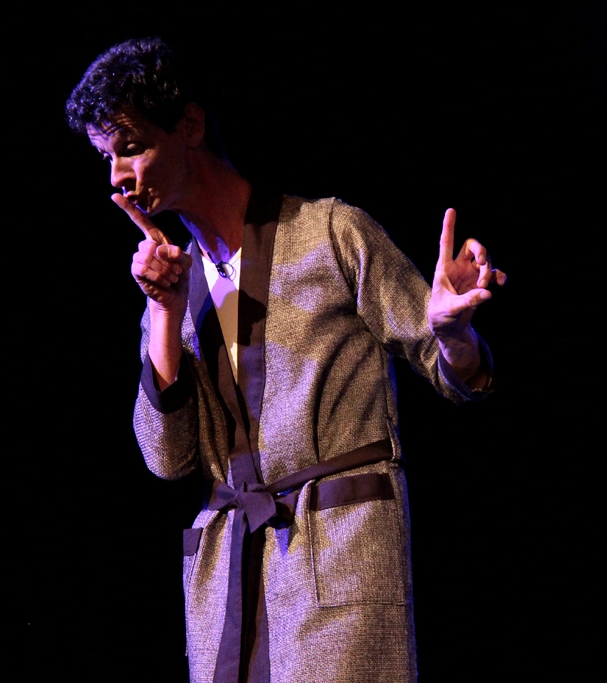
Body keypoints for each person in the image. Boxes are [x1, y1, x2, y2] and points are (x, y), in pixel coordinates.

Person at [66, 37, 505, 683]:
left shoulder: (330, 232)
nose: (116, 176)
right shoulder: (171, 289)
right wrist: (162, 310)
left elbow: (449, 368)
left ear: (188, 126)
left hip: (340, 554)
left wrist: (453, 332)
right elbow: (167, 458)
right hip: (230, 582)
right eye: (106, 157)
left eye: (129, 147)